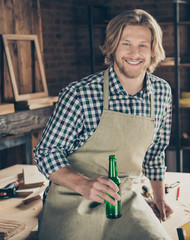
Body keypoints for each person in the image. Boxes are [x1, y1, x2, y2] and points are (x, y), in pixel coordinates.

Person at [34, 9, 173, 239]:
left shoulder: (161, 92)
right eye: (126, 43)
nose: (134, 53)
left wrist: (159, 198)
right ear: (112, 47)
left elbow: (155, 151)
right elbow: (45, 153)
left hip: (124, 199)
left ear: (152, 51)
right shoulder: (80, 94)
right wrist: (84, 184)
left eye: (143, 45)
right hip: (72, 199)